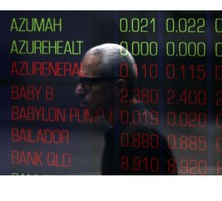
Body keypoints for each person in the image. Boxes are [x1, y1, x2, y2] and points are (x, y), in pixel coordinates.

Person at [75, 43, 177, 174]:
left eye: (88, 83)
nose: (78, 91)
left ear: (119, 87)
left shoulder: (142, 140)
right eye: (80, 82)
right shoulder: (125, 131)